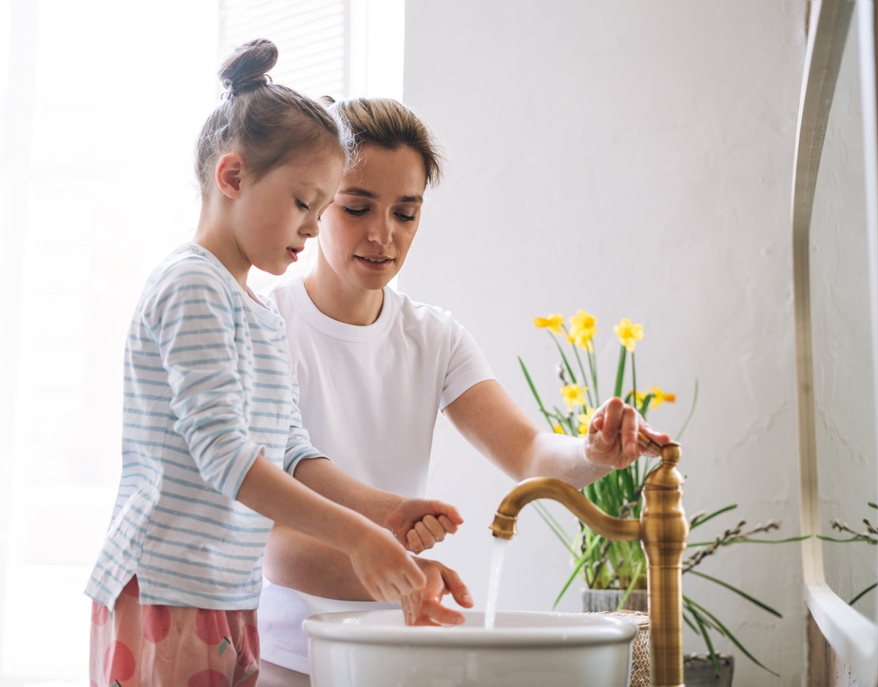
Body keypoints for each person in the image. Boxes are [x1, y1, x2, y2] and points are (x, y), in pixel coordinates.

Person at [256, 97, 670, 687]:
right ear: (319, 200)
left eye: (406, 213)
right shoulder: (265, 328)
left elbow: (528, 454)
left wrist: (592, 452)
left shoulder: (433, 337)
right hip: (282, 656)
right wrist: (406, 568)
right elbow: (272, 546)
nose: (383, 234)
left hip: (393, 652)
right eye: (356, 207)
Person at [84, 42, 461, 687]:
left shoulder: (257, 312)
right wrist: (357, 539)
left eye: (320, 211)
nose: (314, 229)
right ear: (232, 178)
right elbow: (226, 457)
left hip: (225, 589)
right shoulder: (191, 286)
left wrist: (385, 513)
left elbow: (290, 449)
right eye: (303, 204)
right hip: (166, 589)